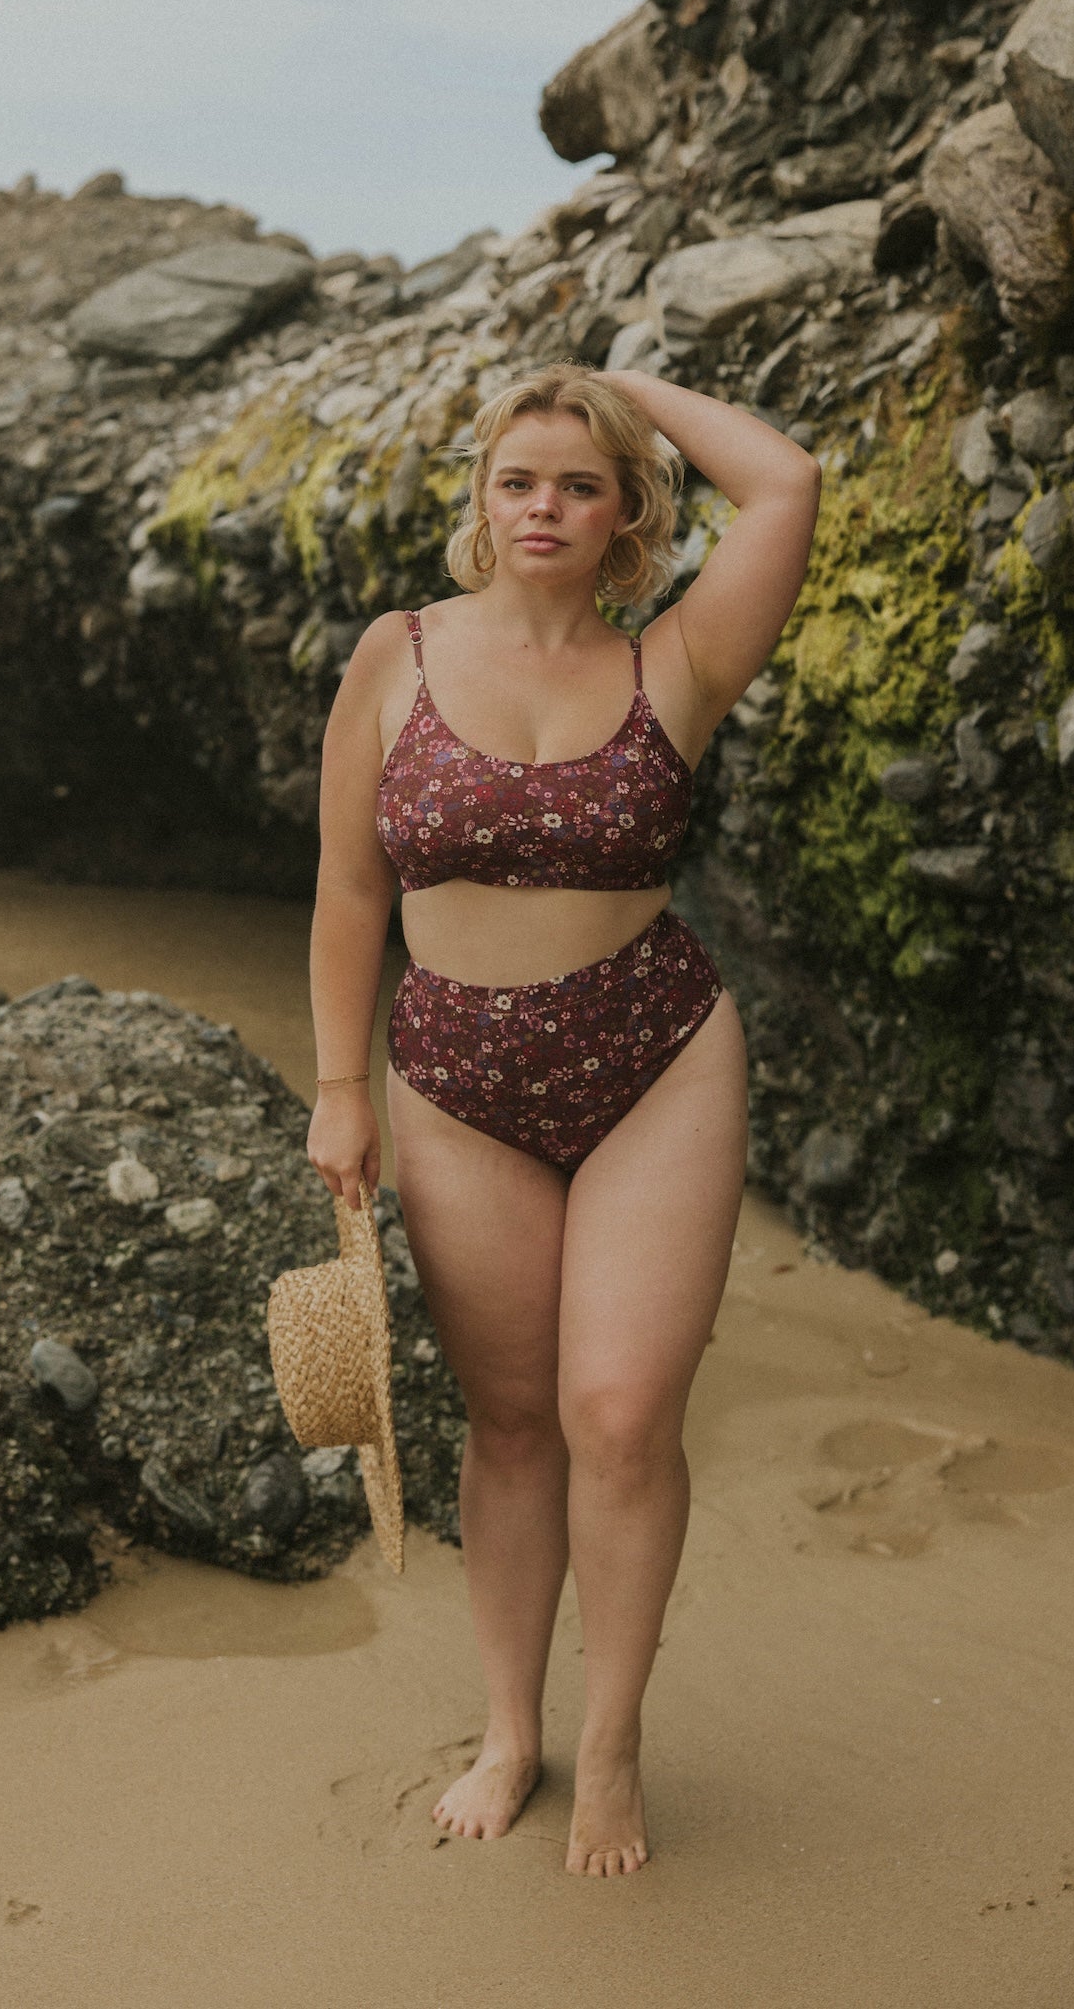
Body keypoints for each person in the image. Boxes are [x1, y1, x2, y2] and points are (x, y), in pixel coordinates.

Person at [307, 362, 820, 1877]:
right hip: (454, 1078)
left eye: (581, 484)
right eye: (519, 478)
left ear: (628, 513)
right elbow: (349, 888)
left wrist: (621, 383)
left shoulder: (678, 662)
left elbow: (786, 483)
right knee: (515, 1423)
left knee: (617, 1415)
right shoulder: (392, 657)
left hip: (653, 1053)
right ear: (480, 495)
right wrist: (342, 1089)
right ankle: (510, 1727)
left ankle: (610, 1738)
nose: (545, 506)